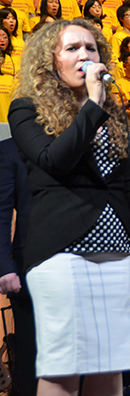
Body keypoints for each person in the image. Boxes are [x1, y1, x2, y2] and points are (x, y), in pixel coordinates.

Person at [7, 19, 130, 396]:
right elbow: (55, 160)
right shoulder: (26, 108)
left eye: (91, 48)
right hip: (62, 250)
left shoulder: (112, 113)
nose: (84, 55)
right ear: (51, 62)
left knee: (109, 368)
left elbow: (126, 180)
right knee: (64, 365)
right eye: (72, 48)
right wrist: (93, 104)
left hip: (116, 249)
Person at [0, 138, 35, 396]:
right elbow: (1, 214)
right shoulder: (10, 150)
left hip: (76, 267)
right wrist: (4, 266)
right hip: (28, 269)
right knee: (32, 356)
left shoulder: (74, 143)